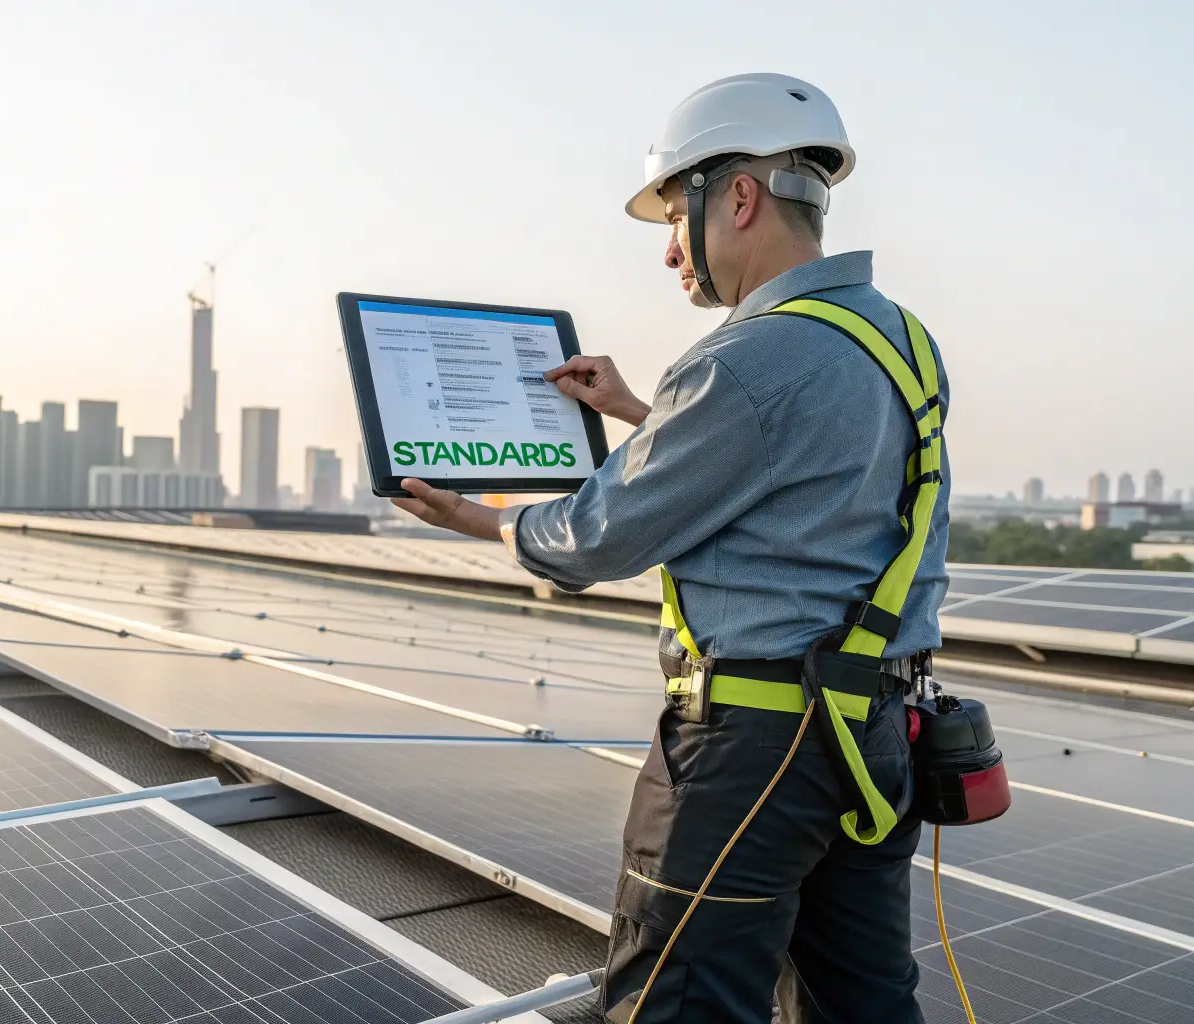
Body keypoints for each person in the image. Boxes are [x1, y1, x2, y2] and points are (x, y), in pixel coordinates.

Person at [392, 72, 950, 1023]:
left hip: (753, 747)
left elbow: (594, 540)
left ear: (739, 197)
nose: (668, 251)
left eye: (672, 217)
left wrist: (480, 519)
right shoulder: (898, 337)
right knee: (860, 1005)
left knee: (679, 1002)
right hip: (875, 735)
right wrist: (639, 413)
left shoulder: (745, 357)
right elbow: (801, 484)